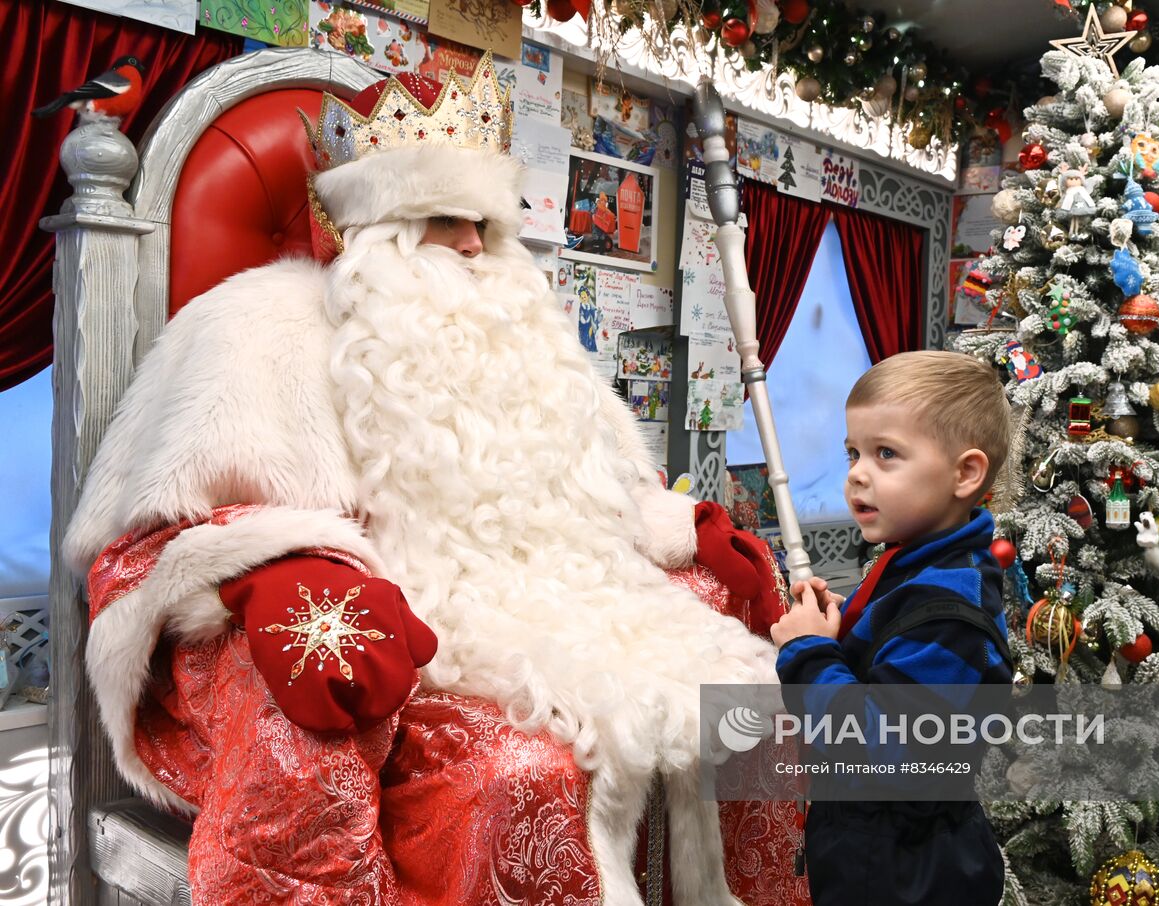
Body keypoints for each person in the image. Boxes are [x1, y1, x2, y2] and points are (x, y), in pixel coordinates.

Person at [64, 62, 802, 906]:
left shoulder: (524, 341)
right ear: (372, 227)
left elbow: (597, 488)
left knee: (745, 697)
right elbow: (151, 538)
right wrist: (280, 569)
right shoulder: (259, 328)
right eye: (443, 220)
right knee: (517, 769)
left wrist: (674, 524)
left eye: (484, 226)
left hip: (541, 606)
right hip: (405, 631)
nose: (469, 246)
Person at [770, 350, 1014, 906]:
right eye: (853, 452)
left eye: (886, 454)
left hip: (909, 877)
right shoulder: (913, 566)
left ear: (965, 473)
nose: (857, 472)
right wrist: (837, 631)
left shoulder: (950, 610)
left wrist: (809, 654)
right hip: (874, 857)